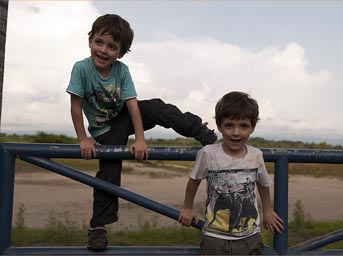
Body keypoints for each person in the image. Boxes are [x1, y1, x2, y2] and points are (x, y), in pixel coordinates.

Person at [66, 14, 217, 250]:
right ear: (90, 41)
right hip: (104, 132)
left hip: (124, 118)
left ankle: (200, 131)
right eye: (99, 42)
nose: (103, 50)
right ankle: (98, 227)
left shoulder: (122, 71)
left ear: (121, 52)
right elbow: (75, 105)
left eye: (112, 47)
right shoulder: (81, 69)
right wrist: (83, 139)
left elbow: (133, 105)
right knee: (110, 164)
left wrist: (140, 139)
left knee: (155, 106)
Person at [178, 91, 284, 255]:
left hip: (250, 237)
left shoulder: (256, 155)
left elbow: (263, 184)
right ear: (219, 126)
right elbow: (193, 181)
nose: (236, 132)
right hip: (214, 237)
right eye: (229, 125)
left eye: (243, 126)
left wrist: (268, 211)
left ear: (252, 128)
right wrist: (187, 207)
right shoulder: (208, 153)